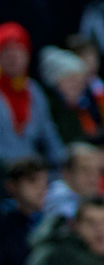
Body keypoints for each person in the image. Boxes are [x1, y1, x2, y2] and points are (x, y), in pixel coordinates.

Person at [0, 21, 65, 166]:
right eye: (6, 51)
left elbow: (49, 135)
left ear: (27, 55)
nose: (13, 57)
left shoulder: (34, 91)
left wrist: (64, 164)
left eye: (19, 50)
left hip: (31, 173)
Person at [0, 155, 48, 265]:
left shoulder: (49, 224)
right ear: (11, 186)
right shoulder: (5, 227)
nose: (41, 189)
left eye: (44, 183)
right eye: (32, 181)